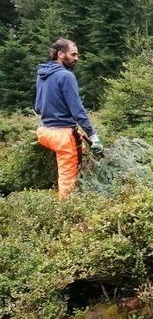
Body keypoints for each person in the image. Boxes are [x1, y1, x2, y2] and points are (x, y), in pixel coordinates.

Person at [34, 38, 103, 199]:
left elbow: (38, 106)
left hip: (45, 132)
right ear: (60, 54)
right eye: (73, 54)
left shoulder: (42, 74)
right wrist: (93, 136)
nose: (76, 58)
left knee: (78, 155)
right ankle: (68, 212)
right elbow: (78, 111)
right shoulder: (66, 76)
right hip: (63, 136)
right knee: (68, 179)